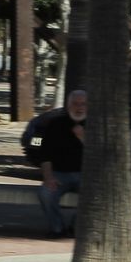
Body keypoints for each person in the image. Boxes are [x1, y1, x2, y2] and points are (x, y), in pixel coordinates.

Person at [33, 89, 87, 237]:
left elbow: (100, 155)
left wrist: (83, 137)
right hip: (59, 174)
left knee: (95, 194)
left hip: (86, 175)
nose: (79, 107)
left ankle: (77, 226)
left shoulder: (94, 125)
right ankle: (57, 228)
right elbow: (45, 154)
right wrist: (48, 177)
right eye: (75, 104)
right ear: (68, 105)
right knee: (45, 193)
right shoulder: (56, 124)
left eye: (83, 104)